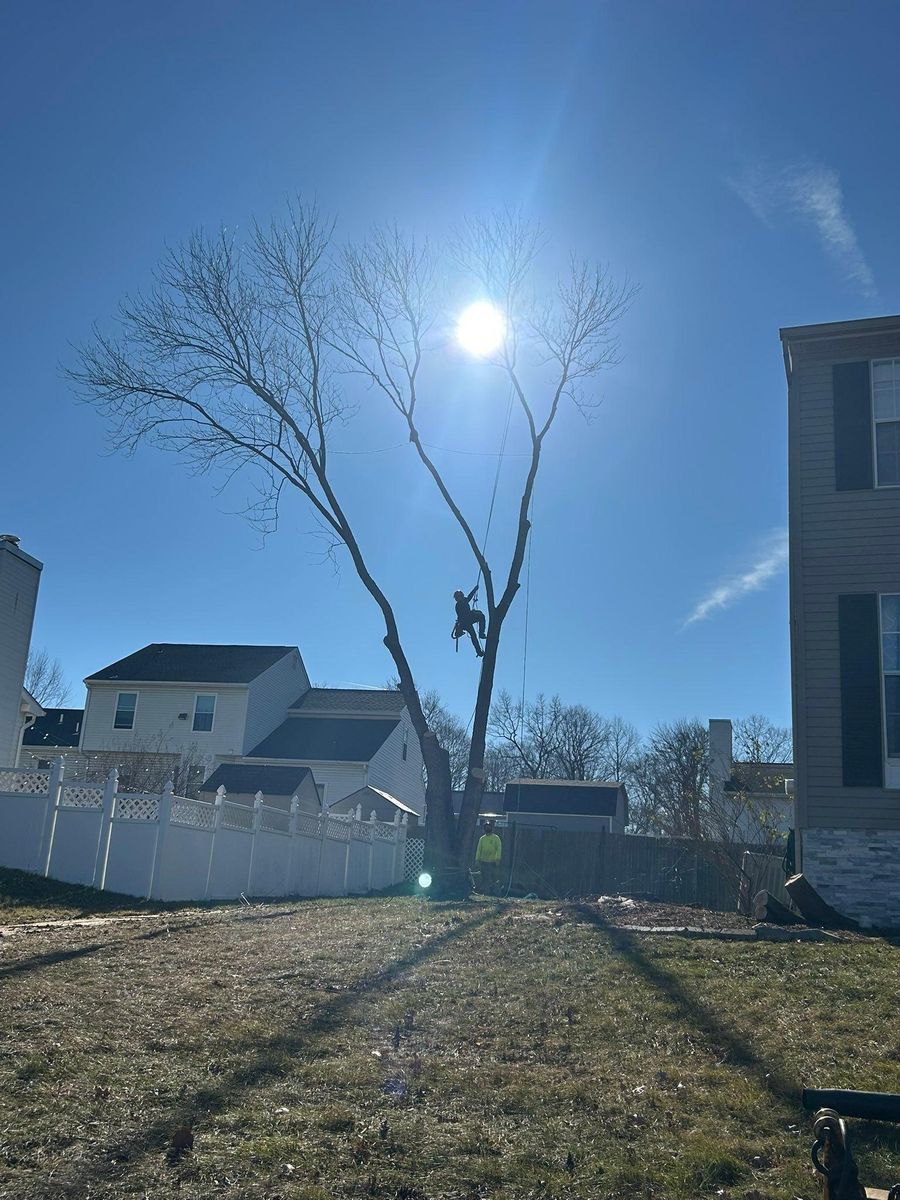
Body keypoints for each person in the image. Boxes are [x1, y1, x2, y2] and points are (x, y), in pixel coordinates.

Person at [453, 587, 486, 657]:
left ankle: (479, 651)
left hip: (465, 623)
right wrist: (474, 589)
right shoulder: (459, 604)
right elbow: (469, 598)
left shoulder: (462, 602)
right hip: (465, 622)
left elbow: (469, 598)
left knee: (474, 636)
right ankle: (481, 636)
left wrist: (475, 589)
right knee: (481, 617)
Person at [475, 820, 502, 894]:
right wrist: (477, 859)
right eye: (486, 827)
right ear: (484, 828)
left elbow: (499, 849)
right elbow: (479, 849)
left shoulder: (496, 838)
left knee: (494, 878)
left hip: (493, 862)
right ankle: (486, 892)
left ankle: (496, 892)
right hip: (484, 861)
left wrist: (497, 859)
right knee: (485, 877)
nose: (488, 828)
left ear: (491, 828)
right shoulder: (482, 839)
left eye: (489, 827)